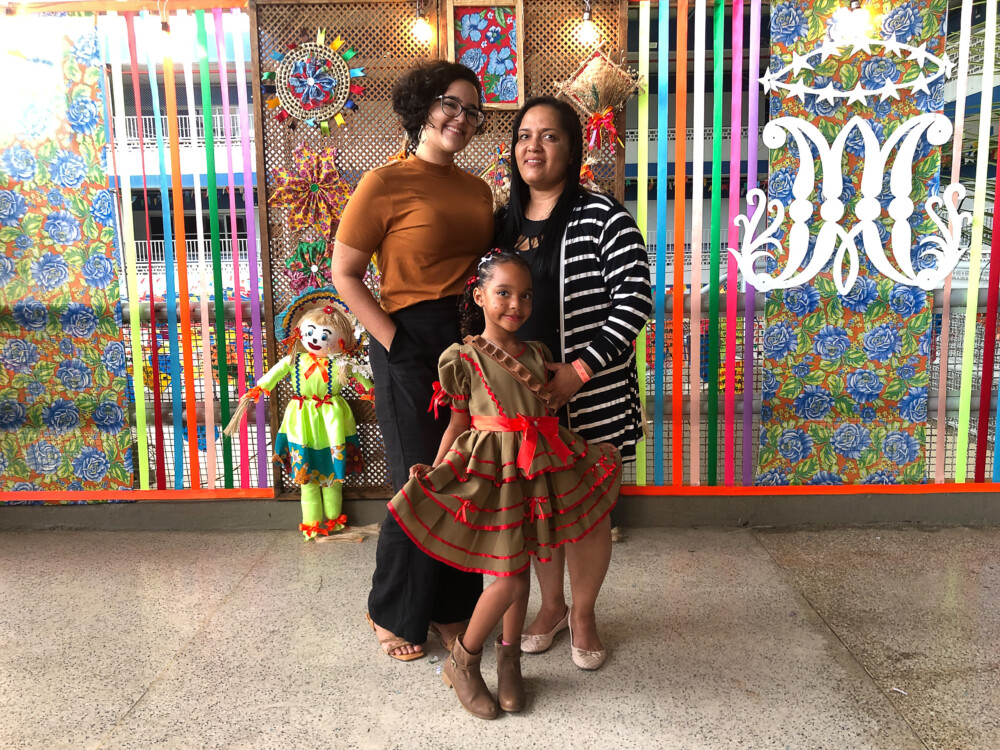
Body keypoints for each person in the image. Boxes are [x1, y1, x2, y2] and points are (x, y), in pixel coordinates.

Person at [388, 251, 621, 719]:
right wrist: (438, 468)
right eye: (503, 293)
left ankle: (509, 659)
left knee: (525, 566)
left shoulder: (537, 353)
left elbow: (545, 414)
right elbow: (458, 424)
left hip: (536, 472)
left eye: (526, 295)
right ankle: (464, 660)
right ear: (479, 296)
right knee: (510, 576)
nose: (516, 304)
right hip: (495, 476)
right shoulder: (462, 358)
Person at [331, 61, 494, 661]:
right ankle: (391, 610)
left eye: (473, 111)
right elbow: (345, 274)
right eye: (451, 104)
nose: (462, 118)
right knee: (418, 478)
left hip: (469, 343)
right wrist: (394, 343)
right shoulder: (383, 183)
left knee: (463, 475)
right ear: (424, 106)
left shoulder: (478, 190)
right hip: (408, 339)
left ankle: (451, 607)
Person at [494, 96, 651, 668]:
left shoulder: (604, 217)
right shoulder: (503, 223)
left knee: (586, 509)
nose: (533, 146)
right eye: (524, 135)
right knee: (538, 507)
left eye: (549, 136)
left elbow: (634, 301)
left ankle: (583, 613)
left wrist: (579, 371)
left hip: (593, 396)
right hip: (524, 401)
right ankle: (552, 606)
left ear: (572, 148)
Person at [224, 291, 372, 539]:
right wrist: (259, 388)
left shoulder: (342, 363)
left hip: (331, 419)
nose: (315, 340)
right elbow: (274, 374)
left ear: (341, 340)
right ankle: (312, 524)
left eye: (324, 336)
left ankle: (334, 520)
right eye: (311, 333)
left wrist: (374, 392)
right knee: (307, 477)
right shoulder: (294, 360)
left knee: (333, 475)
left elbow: (363, 380)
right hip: (302, 418)